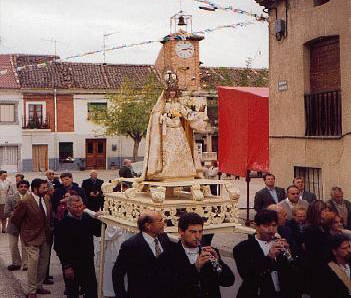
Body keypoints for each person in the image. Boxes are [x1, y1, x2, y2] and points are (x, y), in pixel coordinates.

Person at [140, 83, 207, 181]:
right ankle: (166, 173)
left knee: (182, 151)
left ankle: (186, 173)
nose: (172, 93)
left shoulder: (179, 105)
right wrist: (165, 116)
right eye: (171, 91)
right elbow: (156, 116)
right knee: (169, 152)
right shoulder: (163, 105)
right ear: (167, 92)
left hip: (178, 130)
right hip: (168, 131)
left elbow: (187, 115)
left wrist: (199, 113)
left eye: (174, 91)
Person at [163, 212, 234, 298]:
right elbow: (171, 289)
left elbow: (228, 282)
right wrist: (195, 268)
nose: (197, 236)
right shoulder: (169, 255)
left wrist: (218, 263)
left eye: (200, 231)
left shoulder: (210, 251)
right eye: (193, 232)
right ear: (181, 231)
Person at [233, 209, 300, 298]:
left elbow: (297, 271)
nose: (271, 229)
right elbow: (247, 275)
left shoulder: (283, 243)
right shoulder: (242, 248)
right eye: (266, 226)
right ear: (256, 226)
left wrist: (290, 254)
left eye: (274, 225)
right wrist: (269, 257)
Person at [112, 210, 172, 298]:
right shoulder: (131, 245)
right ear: (148, 225)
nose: (163, 224)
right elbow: (117, 274)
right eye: (160, 221)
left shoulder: (164, 238)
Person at [11, 178, 53, 298]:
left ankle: (39, 286)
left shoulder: (46, 198)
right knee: (33, 263)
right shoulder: (25, 201)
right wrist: (26, 231)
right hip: (31, 238)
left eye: (46, 187)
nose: (46, 190)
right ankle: (32, 291)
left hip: (45, 236)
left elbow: (48, 216)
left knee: (43, 263)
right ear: (35, 189)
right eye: (43, 188)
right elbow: (15, 219)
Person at [54, 195, 101, 298]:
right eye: (76, 207)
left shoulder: (86, 218)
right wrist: (67, 266)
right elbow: (59, 247)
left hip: (88, 262)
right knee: (72, 292)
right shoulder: (63, 223)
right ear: (69, 207)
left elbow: (98, 232)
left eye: (80, 206)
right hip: (72, 265)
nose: (79, 209)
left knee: (91, 291)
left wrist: (101, 219)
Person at [4, 179, 30, 271]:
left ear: (28, 188)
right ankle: (16, 263)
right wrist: (17, 214)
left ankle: (25, 264)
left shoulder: (31, 198)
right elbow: (6, 212)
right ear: (18, 188)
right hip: (13, 224)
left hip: (26, 225)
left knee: (25, 245)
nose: (23, 188)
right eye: (21, 187)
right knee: (13, 245)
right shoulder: (11, 198)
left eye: (25, 187)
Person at [315, 234, 351, 298]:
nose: (349, 250)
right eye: (344, 248)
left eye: (349, 247)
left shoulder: (349, 262)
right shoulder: (328, 272)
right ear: (334, 251)